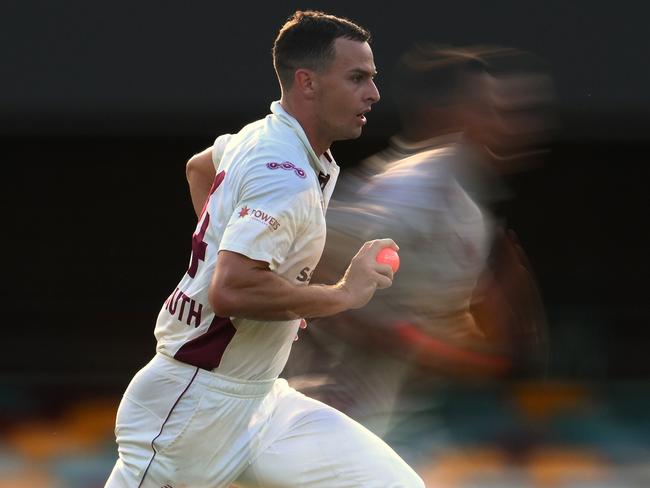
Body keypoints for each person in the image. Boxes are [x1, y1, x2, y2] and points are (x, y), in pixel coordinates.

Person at [106, 10, 424, 488]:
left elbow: (198, 168)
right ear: (307, 82)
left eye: (372, 78)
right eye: (357, 78)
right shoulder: (282, 171)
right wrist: (342, 293)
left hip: (264, 403)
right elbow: (232, 291)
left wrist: (225, 245)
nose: (374, 93)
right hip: (192, 406)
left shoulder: (270, 140)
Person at [284, 44, 552, 473]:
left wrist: (481, 340)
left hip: (382, 425)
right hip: (322, 415)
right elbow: (307, 251)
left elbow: (444, 331)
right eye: (494, 109)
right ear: (454, 113)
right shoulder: (415, 190)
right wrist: (387, 328)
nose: (511, 124)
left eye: (520, 112)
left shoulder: (467, 211)